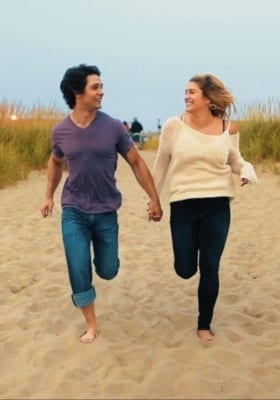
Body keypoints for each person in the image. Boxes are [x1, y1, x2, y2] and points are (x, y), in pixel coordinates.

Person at [40, 64, 163, 344]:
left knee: (107, 270)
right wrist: (49, 196)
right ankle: (92, 324)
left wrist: (154, 198)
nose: (102, 92)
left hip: (106, 211)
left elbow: (136, 162)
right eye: (95, 87)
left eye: (101, 87)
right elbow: (55, 162)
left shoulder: (113, 127)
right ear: (77, 92)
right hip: (74, 210)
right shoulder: (61, 131)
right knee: (78, 266)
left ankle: (105, 262)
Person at [151, 73, 258, 341]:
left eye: (192, 92)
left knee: (210, 266)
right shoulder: (173, 126)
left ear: (208, 98)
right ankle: (187, 267)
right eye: (186, 92)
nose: (186, 96)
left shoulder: (227, 128)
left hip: (217, 204)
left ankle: (204, 324)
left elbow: (235, 160)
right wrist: (153, 199)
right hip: (183, 204)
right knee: (185, 269)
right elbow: (161, 164)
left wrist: (246, 170)